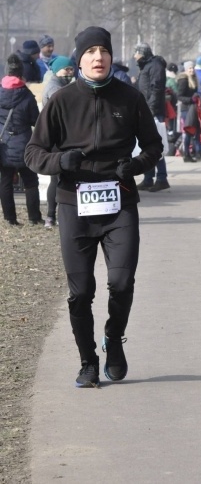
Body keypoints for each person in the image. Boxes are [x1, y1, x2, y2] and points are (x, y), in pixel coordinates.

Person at [25, 26, 163, 387]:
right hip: (75, 204)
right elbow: (33, 153)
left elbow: (153, 146)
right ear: (79, 58)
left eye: (103, 51)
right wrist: (61, 163)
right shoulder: (62, 101)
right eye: (90, 52)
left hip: (119, 205)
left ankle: (114, 339)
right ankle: (87, 360)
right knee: (81, 291)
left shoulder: (129, 98)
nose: (98, 57)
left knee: (121, 282)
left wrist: (134, 166)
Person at [0, 55, 42, 226]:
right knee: (31, 181)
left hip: (4, 144)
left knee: (5, 181)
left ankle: (10, 218)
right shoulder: (26, 95)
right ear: (21, 73)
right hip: (24, 143)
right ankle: (34, 217)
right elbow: (35, 120)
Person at [41, 55, 75, 229]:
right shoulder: (56, 88)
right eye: (66, 69)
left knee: (60, 179)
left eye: (71, 69)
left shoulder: (63, 86)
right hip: (57, 141)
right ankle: (52, 216)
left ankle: (54, 216)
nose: (69, 72)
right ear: (56, 71)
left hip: (62, 139)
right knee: (57, 180)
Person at [133, 42, 170, 192]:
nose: (134, 56)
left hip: (153, 111)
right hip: (147, 109)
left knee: (156, 144)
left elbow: (157, 89)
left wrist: (151, 109)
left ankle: (161, 178)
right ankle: (149, 178)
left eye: (136, 53)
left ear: (143, 53)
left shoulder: (155, 66)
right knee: (146, 146)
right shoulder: (147, 66)